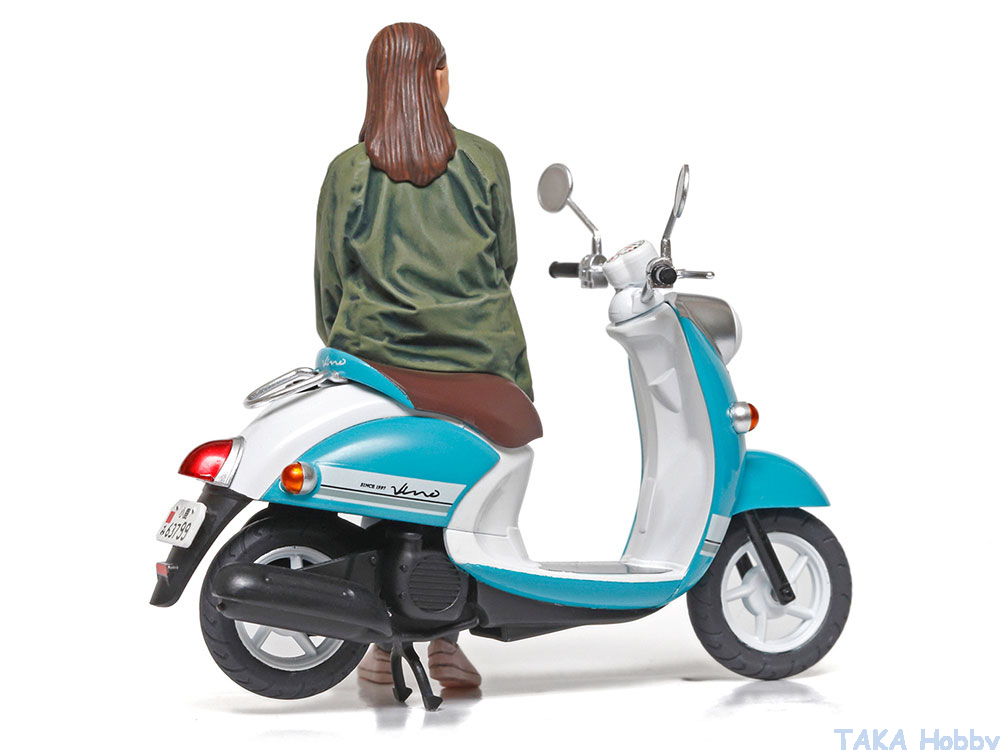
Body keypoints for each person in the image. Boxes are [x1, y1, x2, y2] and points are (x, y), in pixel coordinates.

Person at [314, 22, 534, 689]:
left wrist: (352, 341)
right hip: (481, 358)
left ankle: (381, 644)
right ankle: (445, 641)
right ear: (436, 78)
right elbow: (505, 261)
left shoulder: (348, 172)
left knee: (386, 487)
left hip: (376, 357)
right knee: (465, 490)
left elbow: (330, 280)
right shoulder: (485, 160)